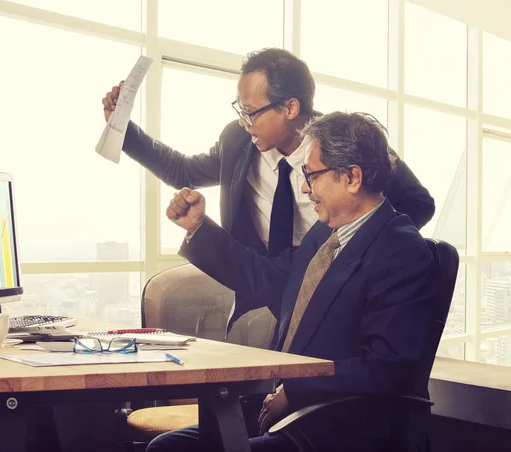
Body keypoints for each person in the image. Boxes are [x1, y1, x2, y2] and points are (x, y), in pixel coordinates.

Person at [147, 111, 439, 452]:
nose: (304, 187)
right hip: (287, 412)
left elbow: (386, 368)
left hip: (337, 430)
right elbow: (263, 277)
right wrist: (198, 226)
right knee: (169, 446)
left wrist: (295, 391)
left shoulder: (401, 250)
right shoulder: (323, 236)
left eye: (311, 175)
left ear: (352, 178)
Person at [102, 48, 434, 332]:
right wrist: (125, 131)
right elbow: (184, 170)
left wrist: (352, 253)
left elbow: (417, 204)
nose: (244, 122)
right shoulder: (239, 140)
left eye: (251, 112)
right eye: (240, 110)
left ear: (290, 108)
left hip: (333, 290)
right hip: (264, 286)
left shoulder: (345, 144)